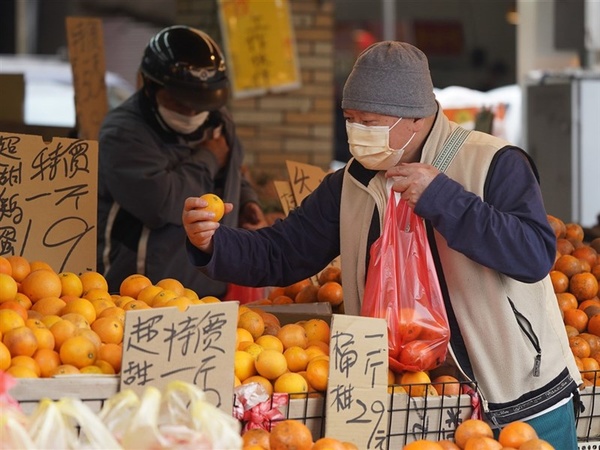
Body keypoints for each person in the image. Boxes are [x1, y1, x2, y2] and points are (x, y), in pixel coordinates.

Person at [182, 41, 582, 448]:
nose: (356, 132)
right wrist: (214, 243)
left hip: (518, 403)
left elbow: (533, 254)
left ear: (416, 118)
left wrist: (443, 198)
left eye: (369, 121)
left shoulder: (494, 162)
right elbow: (282, 252)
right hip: (411, 403)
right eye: (349, 119)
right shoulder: (351, 184)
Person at [97, 25, 267, 297]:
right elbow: (161, 204)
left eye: (199, 103)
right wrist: (209, 156)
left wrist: (246, 201)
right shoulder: (123, 132)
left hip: (210, 289)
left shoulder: (217, 119)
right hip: (142, 292)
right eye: (180, 102)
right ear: (150, 86)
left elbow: (232, 169)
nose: (191, 111)